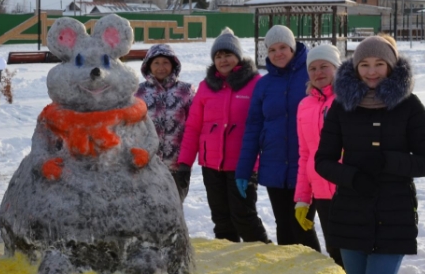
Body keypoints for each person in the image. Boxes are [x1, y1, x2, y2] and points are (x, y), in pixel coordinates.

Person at [315, 35, 425, 274]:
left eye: (379, 64)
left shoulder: (409, 106)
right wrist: (353, 177)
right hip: (350, 213)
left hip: (393, 215)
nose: (372, 71)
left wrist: (387, 161)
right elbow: (323, 161)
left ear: (391, 66)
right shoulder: (342, 106)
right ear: (355, 68)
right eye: (365, 65)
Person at [177, 28, 269, 243]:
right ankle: (230, 262)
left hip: (243, 166)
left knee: (244, 217)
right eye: (218, 56)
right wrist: (184, 163)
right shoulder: (206, 87)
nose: (223, 59)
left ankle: (262, 258)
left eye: (227, 54)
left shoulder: (255, 84)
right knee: (221, 219)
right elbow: (193, 127)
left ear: (238, 57)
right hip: (211, 166)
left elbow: (265, 124)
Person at [235, 25, 320, 251]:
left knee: (303, 225)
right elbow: (253, 128)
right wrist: (243, 171)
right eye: (272, 50)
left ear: (293, 47)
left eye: (282, 47)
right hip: (274, 165)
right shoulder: (263, 85)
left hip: (306, 167)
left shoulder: (311, 74)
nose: (277, 53)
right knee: (283, 225)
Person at [293, 44, 344, 267]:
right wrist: (303, 198)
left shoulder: (346, 101)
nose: (318, 73)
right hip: (322, 193)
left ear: (337, 68)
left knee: (354, 252)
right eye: (312, 68)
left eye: (324, 66)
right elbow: (305, 155)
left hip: (348, 190)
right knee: (334, 251)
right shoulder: (305, 105)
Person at [135, 44, 195, 201]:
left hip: (176, 164)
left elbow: (194, 126)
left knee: (174, 205)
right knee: (147, 206)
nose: (161, 67)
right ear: (148, 65)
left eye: (165, 62)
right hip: (147, 164)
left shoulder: (186, 91)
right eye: (156, 63)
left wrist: (185, 162)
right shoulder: (138, 92)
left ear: (174, 64)